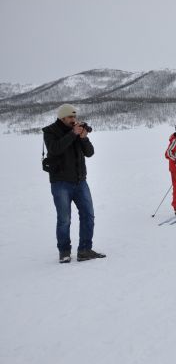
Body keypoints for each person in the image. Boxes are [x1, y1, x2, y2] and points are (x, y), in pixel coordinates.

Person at [42, 104, 106, 263]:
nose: (74, 120)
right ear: (62, 117)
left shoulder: (77, 131)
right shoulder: (50, 131)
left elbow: (90, 153)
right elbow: (55, 149)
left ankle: (85, 250)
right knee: (64, 219)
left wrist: (83, 138)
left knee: (88, 215)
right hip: (60, 182)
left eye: (74, 117)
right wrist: (72, 134)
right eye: (70, 117)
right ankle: (64, 252)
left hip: (80, 181)